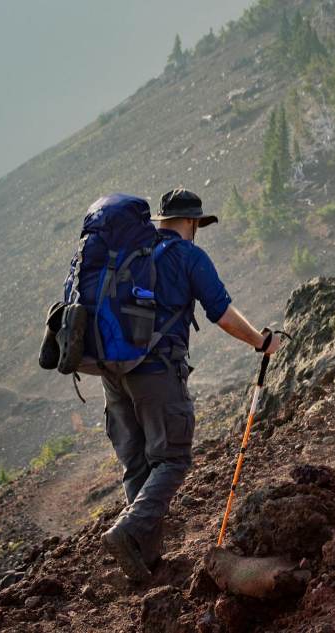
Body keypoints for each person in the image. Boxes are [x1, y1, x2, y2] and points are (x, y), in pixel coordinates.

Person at [100, 188, 284, 582]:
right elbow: (221, 312)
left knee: (139, 464)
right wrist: (261, 341)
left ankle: (144, 561)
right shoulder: (188, 255)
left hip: (112, 374)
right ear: (193, 222)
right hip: (157, 371)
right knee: (173, 460)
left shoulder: (130, 254)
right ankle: (127, 533)